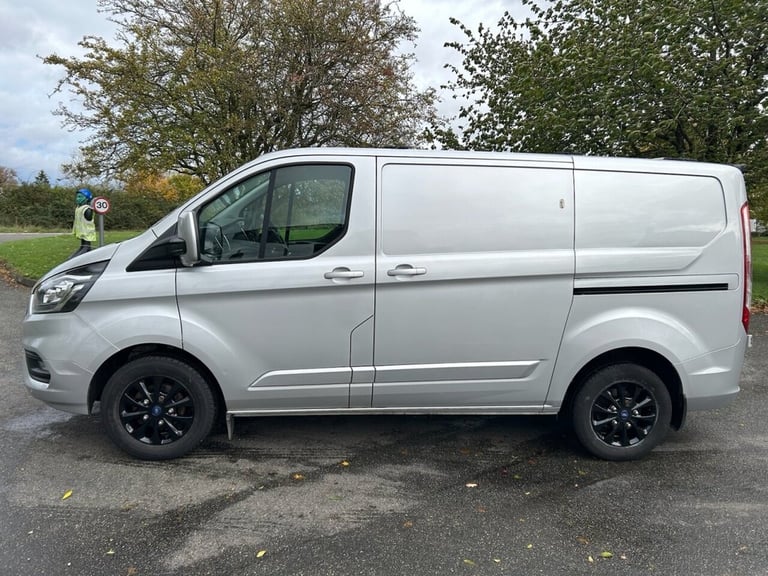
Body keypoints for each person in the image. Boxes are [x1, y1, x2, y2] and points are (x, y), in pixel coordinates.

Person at [71, 188, 96, 258]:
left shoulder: (87, 209)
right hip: (82, 233)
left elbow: (88, 218)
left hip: (87, 233)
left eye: (80, 197)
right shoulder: (78, 208)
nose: (77, 199)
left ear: (87, 198)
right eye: (77, 197)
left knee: (86, 247)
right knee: (83, 246)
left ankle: (76, 260)